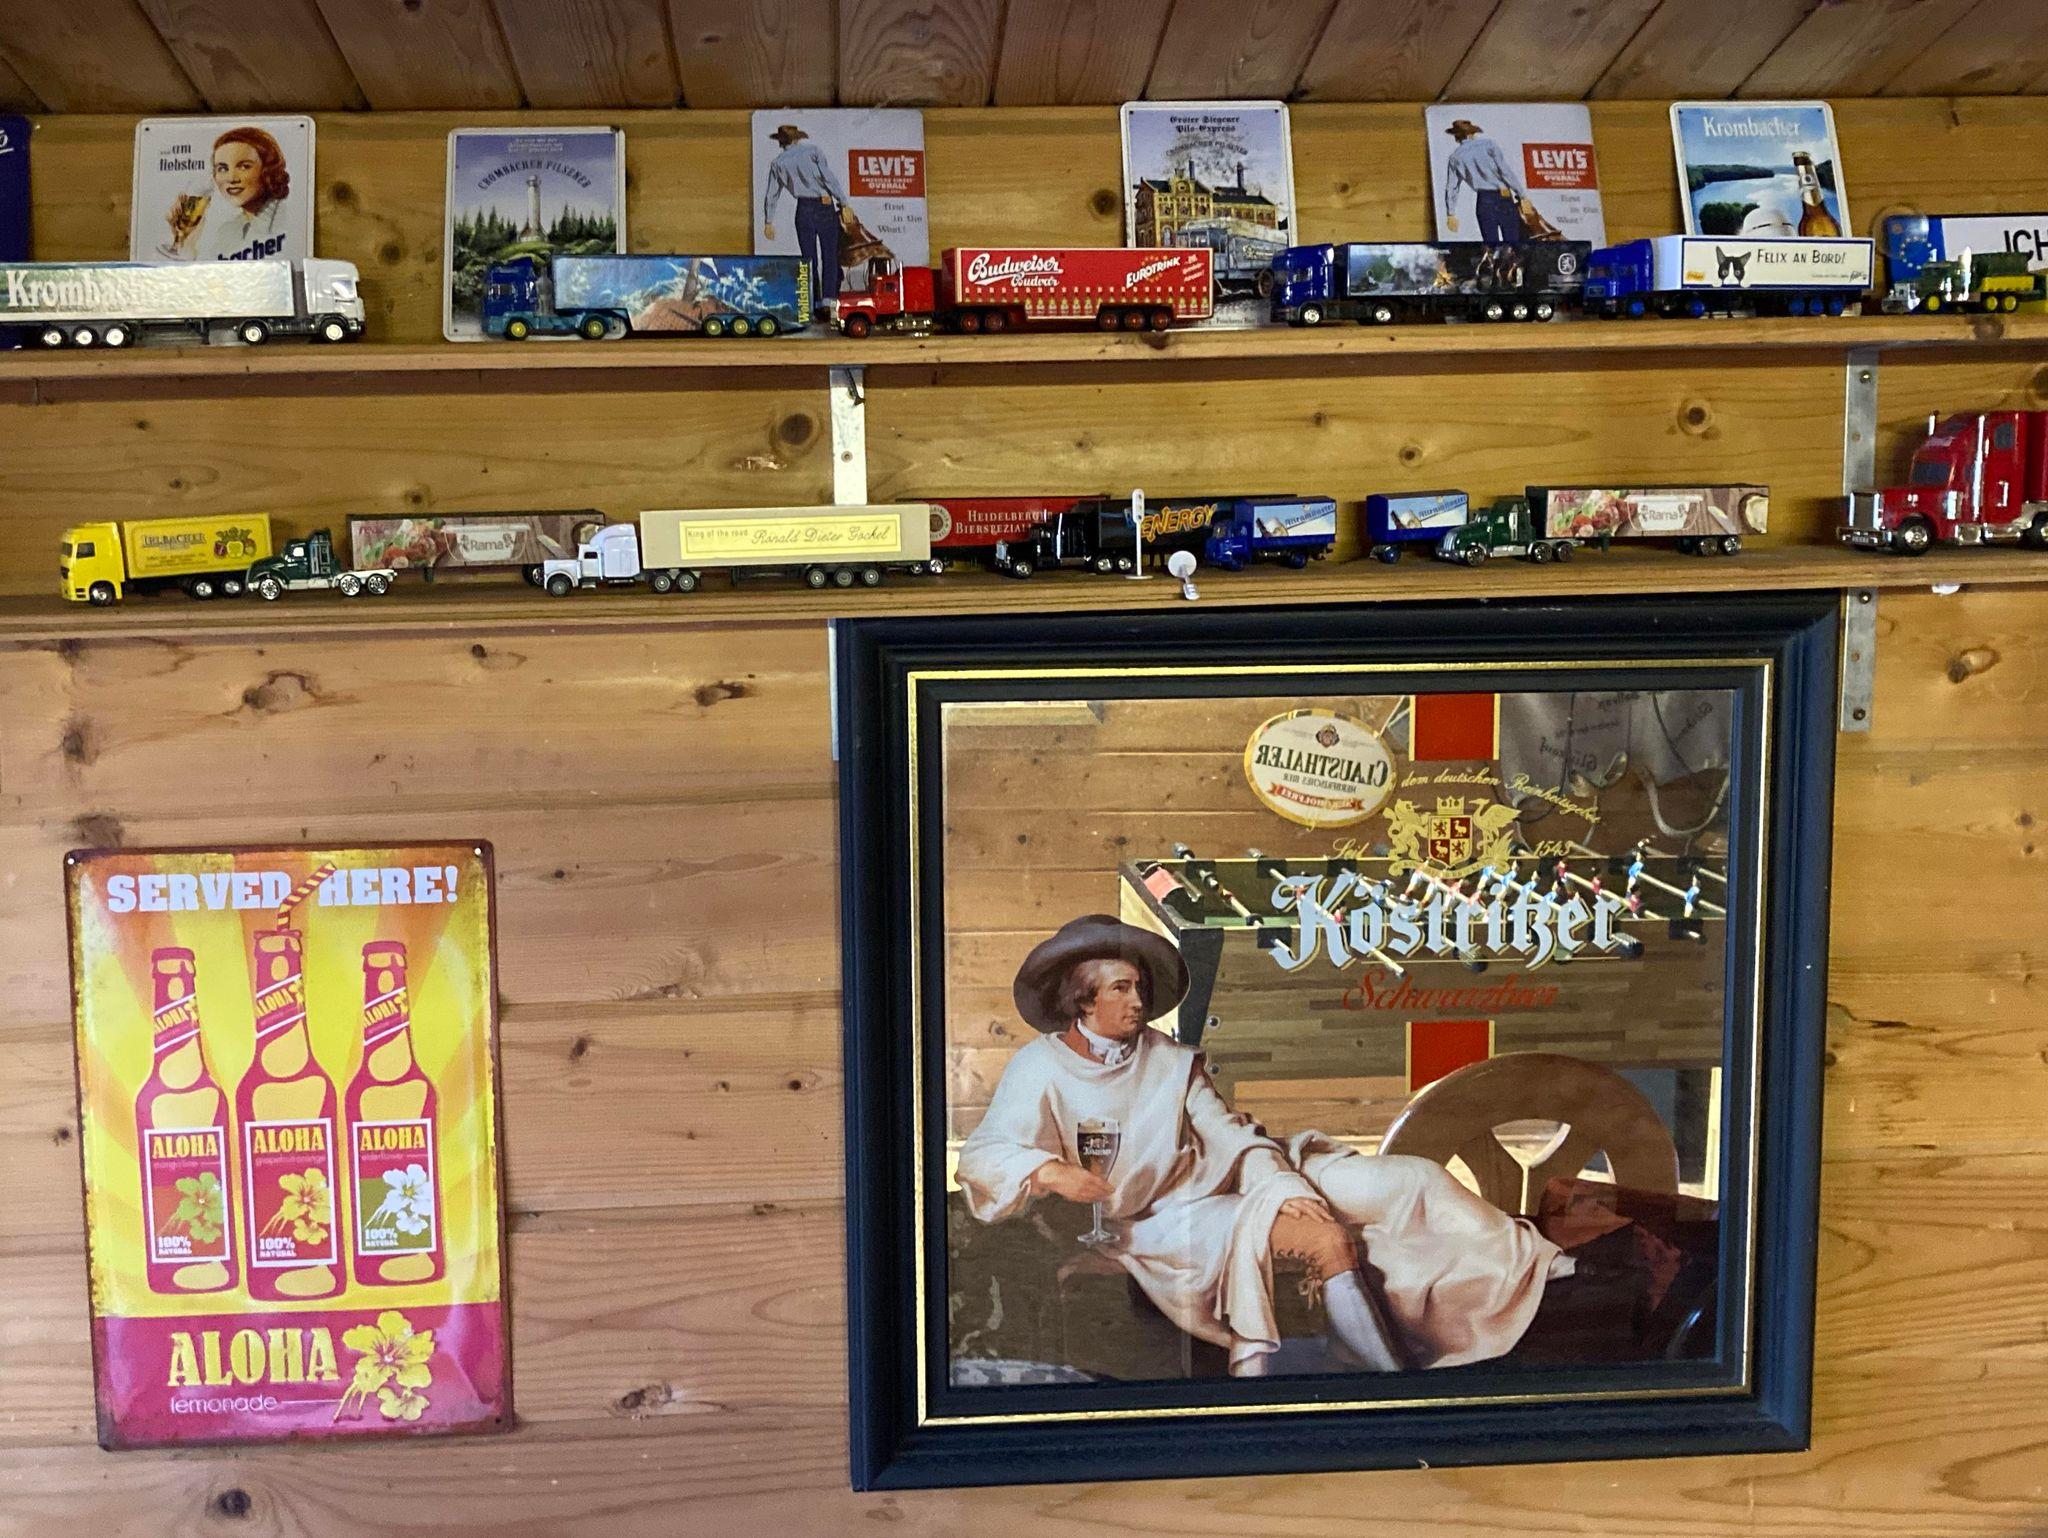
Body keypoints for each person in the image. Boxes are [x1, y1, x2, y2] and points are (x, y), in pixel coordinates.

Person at [956, 914, 1568, 1378]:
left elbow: (1228, 1133)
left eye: (1138, 987)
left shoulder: (1170, 1059)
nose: (1138, 1002)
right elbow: (983, 1155)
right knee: (1327, 1239)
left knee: (1415, 1178)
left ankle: (1542, 1270)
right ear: (1083, 999)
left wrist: (1282, 1185)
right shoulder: (1039, 1067)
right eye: (1120, 989)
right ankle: (1389, 1385)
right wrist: (1048, 1171)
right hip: (1164, 1219)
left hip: (1249, 1169)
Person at [169, 126, 293, 263]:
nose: (232, 178)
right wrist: (187, 242)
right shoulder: (228, 231)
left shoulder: (288, 218)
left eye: (244, 166)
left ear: (267, 169)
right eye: (222, 168)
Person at [762, 123, 847, 312]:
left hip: (803, 208)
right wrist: (843, 202)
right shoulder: (813, 151)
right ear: (797, 138)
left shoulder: (778, 163)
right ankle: (828, 299)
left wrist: (768, 221)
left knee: (808, 259)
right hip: (824, 204)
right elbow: (828, 178)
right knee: (829, 255)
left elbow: (772, 194)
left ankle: (814, 301)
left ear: (781, 142)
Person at [1441, 119, 1527, 245]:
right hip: (1503, 196)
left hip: (1484, 200)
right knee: (1512, 243)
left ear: (1457, 137)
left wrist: (1451, 214)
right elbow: (1504, 171)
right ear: (1471, 134)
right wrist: (1522, 195)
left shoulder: (1455, 157)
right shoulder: (1488, 145)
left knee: (1491, 245)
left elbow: (1452, 187)